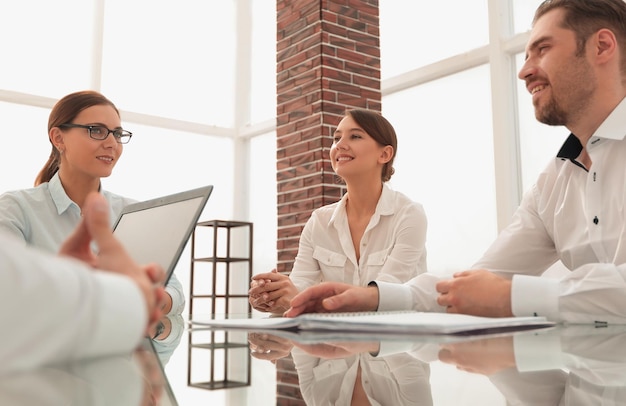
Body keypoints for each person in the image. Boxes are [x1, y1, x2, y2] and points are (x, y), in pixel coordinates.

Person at [286, 0, 626, 324]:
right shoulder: (552, 184)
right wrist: (373, 298)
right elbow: (480, 282)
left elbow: (499, 292)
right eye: (524, 55)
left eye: (543, 49)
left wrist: (513, 297)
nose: (524, 71)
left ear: (602, 47)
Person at [0, 90, 184, 315]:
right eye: (96, 130)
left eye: (117, 134)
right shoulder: (16, 209)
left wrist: (151, 298)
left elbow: (174, 291)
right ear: (59, 138)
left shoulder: (132, 212)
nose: (111, 143)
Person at [249, 109, 428, 313]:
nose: (339, 145)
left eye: (355, 136)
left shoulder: (409, 215)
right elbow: (300, 286)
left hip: (403, 340)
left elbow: (382, 297)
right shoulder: (319, 221)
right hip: (337, 341)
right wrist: (276, 295)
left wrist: (299, 300)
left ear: (385, 154)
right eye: (336, 138)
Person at [1, 192, 166, 372]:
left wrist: (144, 296)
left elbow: (173, 290)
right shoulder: (16, 205)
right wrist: (131, 297)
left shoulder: (130, 208)